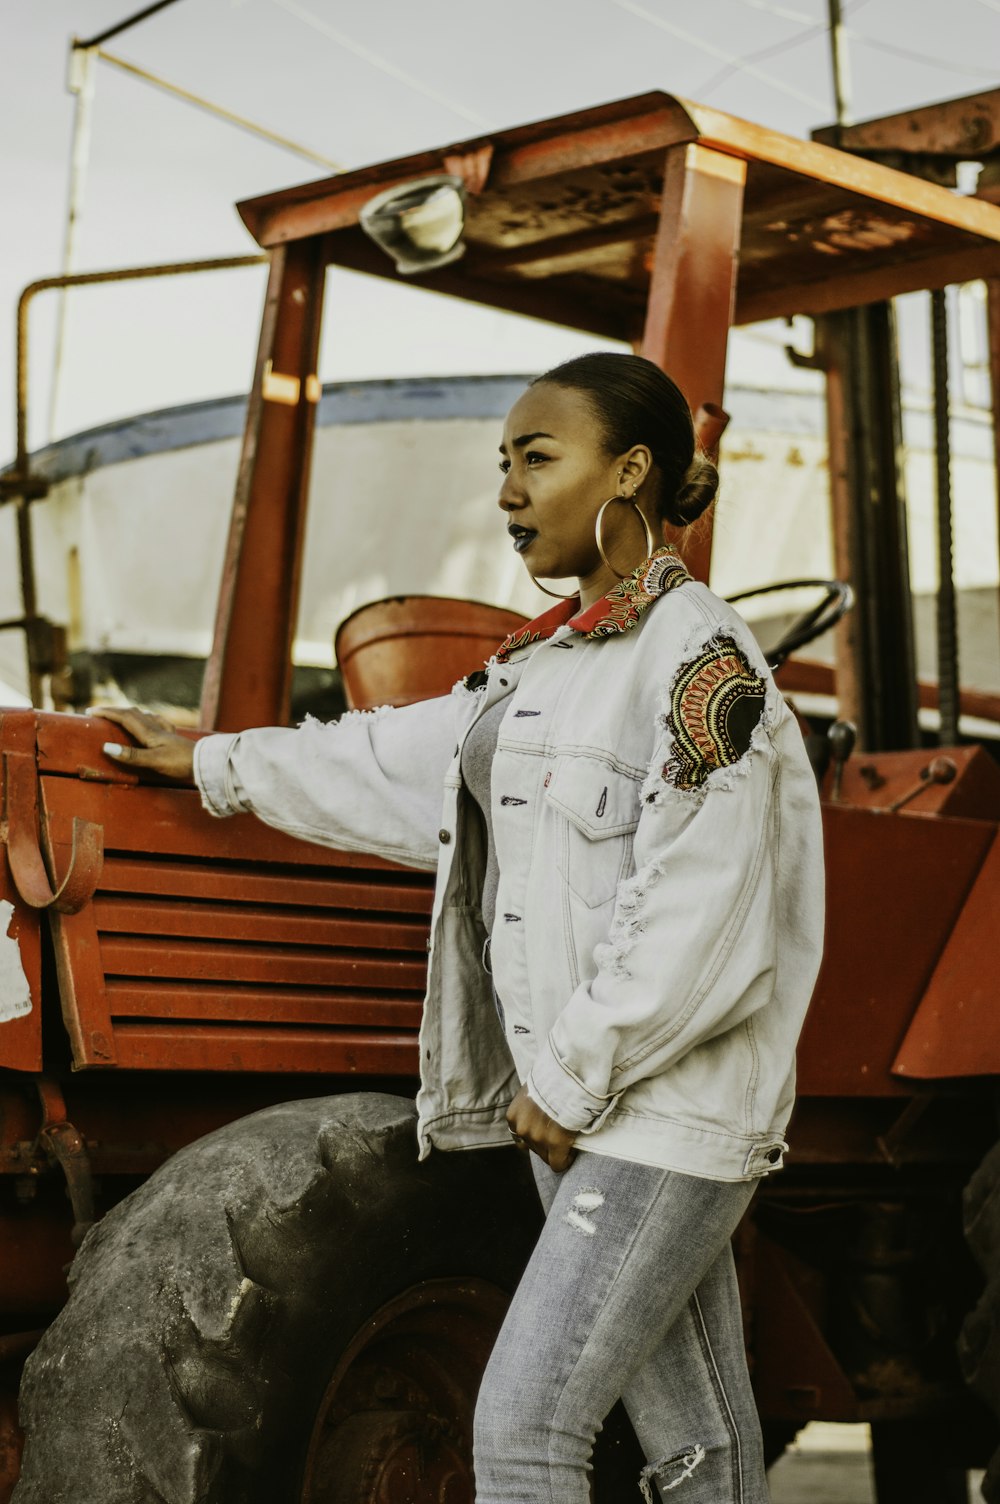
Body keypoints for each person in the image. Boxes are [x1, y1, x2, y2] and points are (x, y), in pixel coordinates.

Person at [97, 352, 824, 1504]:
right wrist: (215, 760)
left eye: (538, 458)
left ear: (629, 469)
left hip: (659, 1113)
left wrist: (573, 1077)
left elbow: (708, 914)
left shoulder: (699, 662)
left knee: (526, 1429)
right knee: (696, 1441)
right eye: (504, 463)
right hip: (593, 1108)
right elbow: (391, 758)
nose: (507, 492)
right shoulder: (546, 669)